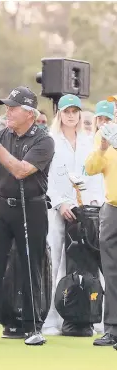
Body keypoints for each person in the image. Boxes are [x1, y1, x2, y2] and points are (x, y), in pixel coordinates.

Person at [0, 86, 54, 344]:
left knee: (31, 267)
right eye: (6, 107)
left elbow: (21, 170)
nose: (7, 111)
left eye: (13, 107)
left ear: (30, 113)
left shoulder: (43, 140)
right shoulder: (2, 135)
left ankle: (32, 327)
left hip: (31, 207)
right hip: (0, 206)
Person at [43, 94, 104, 337]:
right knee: (53, 264)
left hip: (85, 212)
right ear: (60, 114)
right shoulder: (50, 141)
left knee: (88, 265)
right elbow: (46, 177)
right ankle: (48, 320)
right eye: (66, 111)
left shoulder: (89, 142)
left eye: (75, 112)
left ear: (80, 114)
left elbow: (94, 176)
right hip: (57, 210)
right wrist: (60, 203)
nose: (70, 116)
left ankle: (91, 316)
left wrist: (91, 204)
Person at [86, 95, 117, 349]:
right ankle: (112, 330)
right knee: (111, 273)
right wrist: (104, 148)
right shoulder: (102, 137)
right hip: (112, 209)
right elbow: (91, 167)